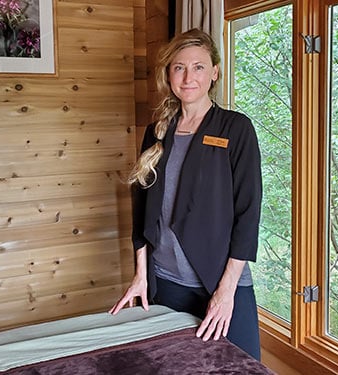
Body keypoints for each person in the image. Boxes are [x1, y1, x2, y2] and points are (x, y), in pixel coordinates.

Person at [109, 28, 263, 361]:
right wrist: (140, 275)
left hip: (220, 280)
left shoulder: (236, 129)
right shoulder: (157, 130)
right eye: (179, 67)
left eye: (198, 67)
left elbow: (248, 214)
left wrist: (226, 291)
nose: (188, 76)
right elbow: (142, 207)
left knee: (242, 366)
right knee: (175, 365)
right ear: (169, 75)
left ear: (214, 73)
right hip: (166, 281)